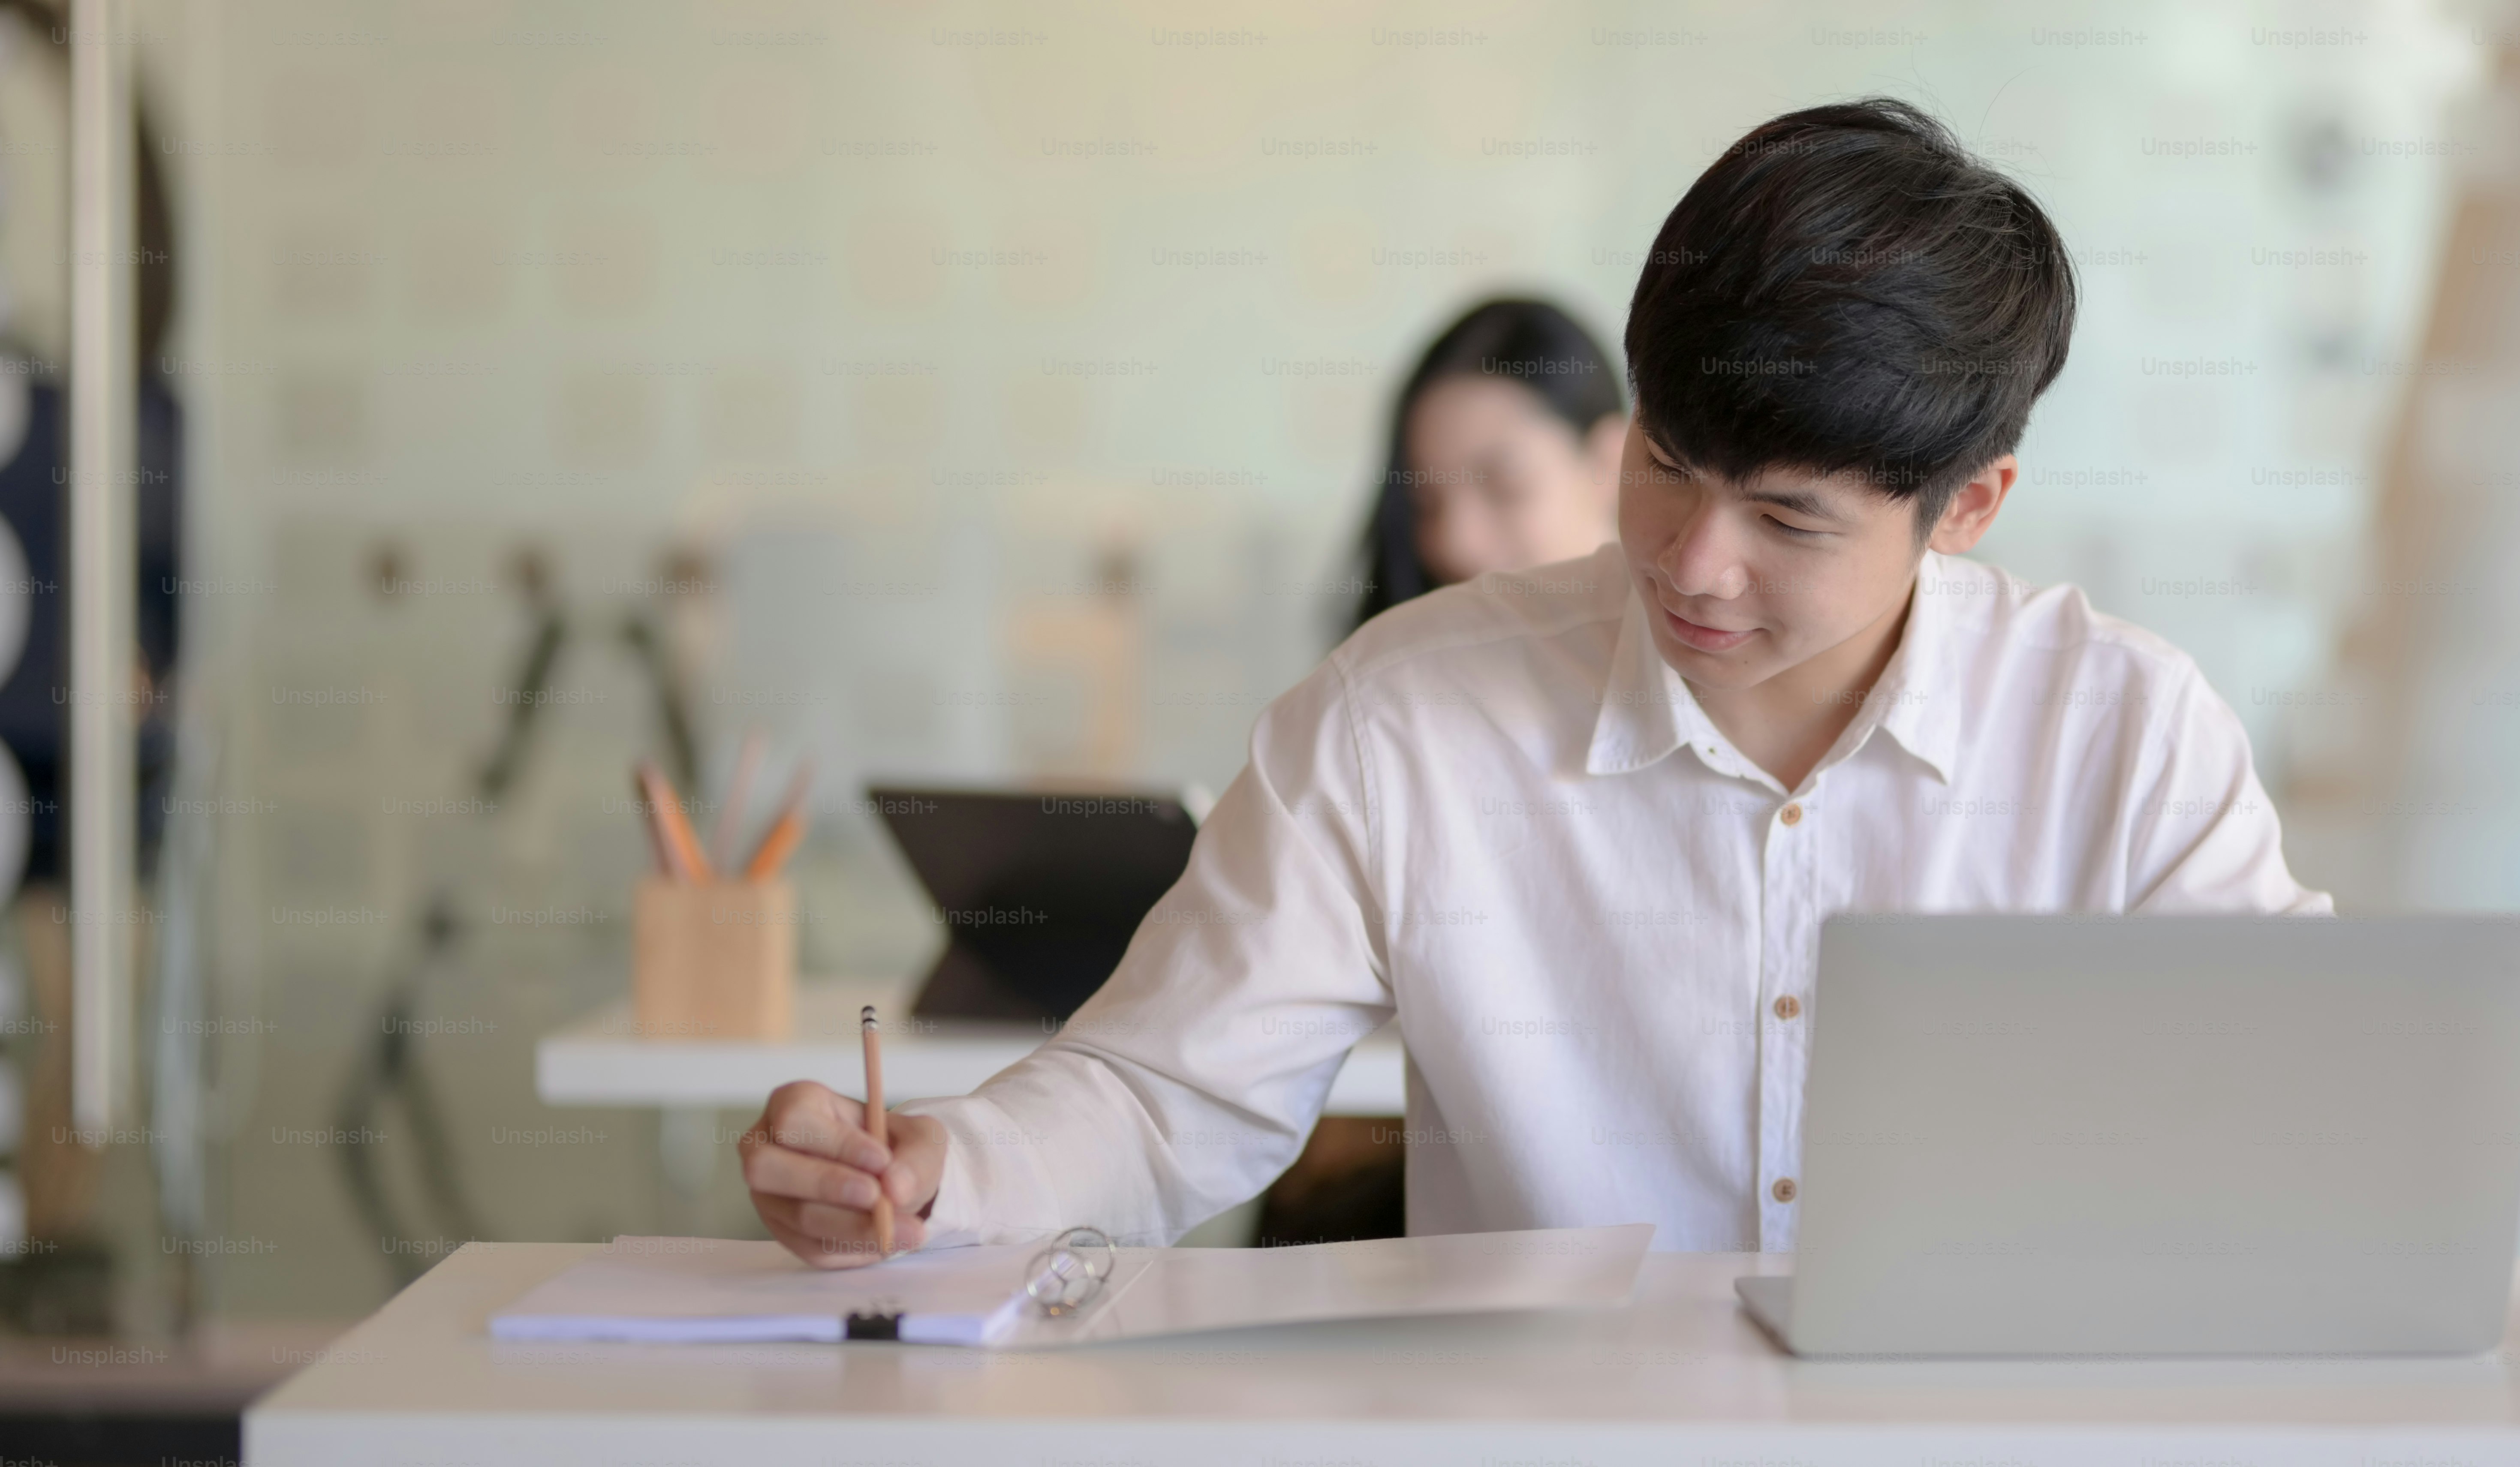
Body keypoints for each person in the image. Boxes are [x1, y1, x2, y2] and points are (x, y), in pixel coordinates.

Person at [739, 98, 2330, 1265]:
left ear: (1966, 506)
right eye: (1662, 464)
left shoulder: (2117, 735)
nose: (1691, 562)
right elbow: (1164, 1088)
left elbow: (2294, 1126)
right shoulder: (1405, 717)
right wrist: (950, 1166)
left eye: (1784, 519)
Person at [1350, 297, 1628, 630]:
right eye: (1424, 502)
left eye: (1503, 487)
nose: (1456, 545)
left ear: (1611, 462)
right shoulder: (1387, 670)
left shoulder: (1686, 667)